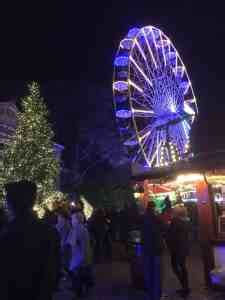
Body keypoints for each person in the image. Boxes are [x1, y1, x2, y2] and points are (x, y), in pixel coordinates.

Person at [0, 180, 61, 300]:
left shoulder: (6, 233)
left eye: (8, 200)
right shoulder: (49, 232)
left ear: (12, 203)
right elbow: (53, 273)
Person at [166, 206, 191, 297]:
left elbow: (170, 234)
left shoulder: (175, 221)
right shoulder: (187, 221)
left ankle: (185, 287)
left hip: (176, 248)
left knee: (175, 266)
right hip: (184, 247)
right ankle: (185, 287)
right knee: (182, 267)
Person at [67, 212, 94, 297]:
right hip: (84, 254)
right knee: (83, 271)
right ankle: (86, 285)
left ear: (77, 220)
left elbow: (72, 242)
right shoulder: (84, 228)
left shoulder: (76, 229)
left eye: (73, 219)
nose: (71, 221)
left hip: (78, 255)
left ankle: (78, 292)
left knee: (76, 274)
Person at [142, 201, 165, 300]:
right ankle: (156, 295)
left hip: (146, 248)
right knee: (157, 273)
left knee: (148, 271)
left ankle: (149, 293)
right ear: (153, 207)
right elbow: (165, 227)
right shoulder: (156, 218)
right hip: (156, 248)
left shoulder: (143, 217)